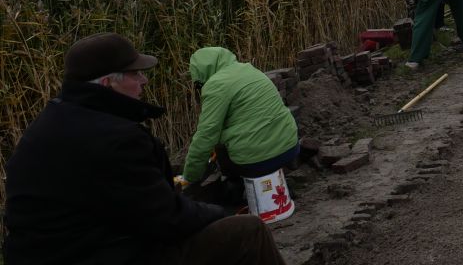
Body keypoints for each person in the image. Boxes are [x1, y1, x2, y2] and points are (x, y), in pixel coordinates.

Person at [3, 33, 286, 265]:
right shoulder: (116, 139)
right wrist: (220, 212)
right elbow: (168, 219)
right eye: (135, 73)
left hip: (56, 252)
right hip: (102, 255)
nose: (144, 80)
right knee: (248, 231)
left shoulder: (47, 123)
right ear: (108, 83)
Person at [178, 47, 300, 192]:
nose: (199, 86)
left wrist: (189, 176)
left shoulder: (216, 84)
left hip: (258, 161)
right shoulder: (249, 69)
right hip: (290, 147)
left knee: (219, 144)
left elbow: (206, 134)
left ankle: (238, 189)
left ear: (203, 72)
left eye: (198, 83)